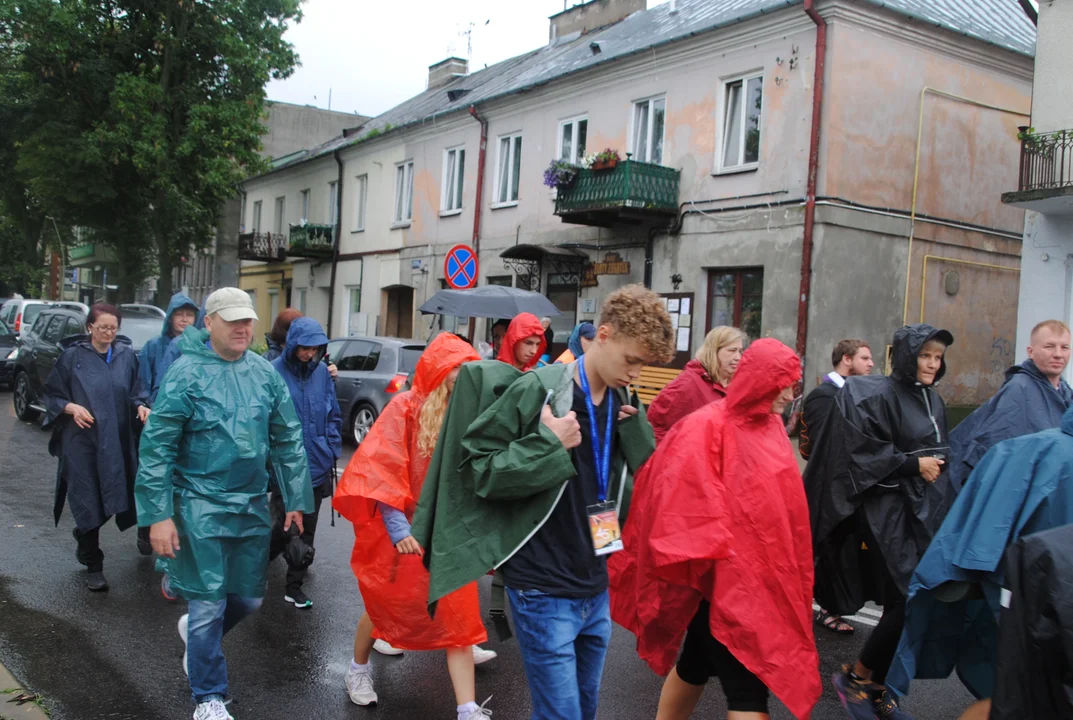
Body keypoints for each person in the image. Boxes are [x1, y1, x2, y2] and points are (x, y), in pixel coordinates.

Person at [412, 285, 676, 720]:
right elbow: (479, 468)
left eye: (645, 365)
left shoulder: (621, 400)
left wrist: (636, 434)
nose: (637, 374)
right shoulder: (539, 390)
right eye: (632, 360)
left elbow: (626, 489)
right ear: (603, 335)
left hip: (594, 587)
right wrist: (548, 444)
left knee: (581, 712)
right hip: (542, 589)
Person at [610, 339, 820, 720]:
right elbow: (673, 494)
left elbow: (780, 503)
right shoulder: (706, 426)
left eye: (794, 384)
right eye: (783, 383)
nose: (790, 394)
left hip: (756, 579)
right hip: (724, 583)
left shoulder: (770, 426)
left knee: (695, 665)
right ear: (761, 380)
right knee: (748, 688)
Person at [136, 287, 313, 720]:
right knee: (209, 601)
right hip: (197, 502)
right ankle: (209, 697)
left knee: (249, 599)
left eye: (248, 320)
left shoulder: (264, 373)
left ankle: (198, 638)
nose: (242, 327)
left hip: (249, 505)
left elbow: (287, 435)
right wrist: (159, 515)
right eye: (232, 319)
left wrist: (295, 497)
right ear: (209, 322)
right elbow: (157, 448)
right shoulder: (186, 373)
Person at [334, 333, 495, 719]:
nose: (463, 374)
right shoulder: (404, 408)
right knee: (382, 608)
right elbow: (383, 471)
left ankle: (468, 708)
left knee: (459, 618)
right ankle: (357, 671)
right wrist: (398, 529)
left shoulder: (466, 413)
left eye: (468, 367)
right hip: (404, 534)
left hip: (448, 536)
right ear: (438, 369)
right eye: (456, 366)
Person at [809, 324, 955, 720]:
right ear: (909, 356)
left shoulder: (933, 400)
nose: (931, 363)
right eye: (925, 355)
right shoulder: (877, 395)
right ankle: (857, 678)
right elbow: (860, 456)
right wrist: (913, 464)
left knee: (909, 599)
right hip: (886, 515)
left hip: (921, 513)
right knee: (907, 598)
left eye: (937, 356)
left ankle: (875, 684)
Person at [885, 404, 1073, 702]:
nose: (1059, 354)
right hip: (1032, 586)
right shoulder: (1031, 436)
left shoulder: (1033, 445)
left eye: (1064, 351)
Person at [44, 303, 150, 591]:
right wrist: (71, 407)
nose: (107, 332)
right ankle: (94, 564)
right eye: (102, 327)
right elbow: (52, 395)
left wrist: (141, 406)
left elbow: (137, 391)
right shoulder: (72, 357)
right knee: (87, 496)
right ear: (89, 326)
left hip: (116, 441)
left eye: (113, 328)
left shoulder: (127, 357)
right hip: (82, 442)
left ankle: (83, 534)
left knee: (115, 495)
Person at [800, 338, 874, 635]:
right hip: (828, 489)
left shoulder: (856, 393)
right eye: (865, 358)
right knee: (828, 549)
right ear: (846, 359)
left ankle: (834, 605)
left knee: (845, 550)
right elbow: (819, 448)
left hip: (851, 487)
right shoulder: (824, 396)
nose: (871, 364)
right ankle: (826, 608)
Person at [947, 319, 1072, 491]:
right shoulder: (1018, 389)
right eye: (1049, 346)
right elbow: (999, 448)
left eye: (1064, 347)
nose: (1058, 354)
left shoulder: (1066, 392)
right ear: (1031, 351)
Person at [270, 316, 342, 609]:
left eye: (315, 348)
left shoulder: (322, 373)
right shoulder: (273, 372)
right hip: (283, 466)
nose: (309, 353)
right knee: (286, 527)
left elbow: (333, 413)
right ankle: (254, 566)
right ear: (292, 344)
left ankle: (294, 585)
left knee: (307, 530)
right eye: (304, 347)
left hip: (315, 463)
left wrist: (331, 447)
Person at [647, 325, 745, 444]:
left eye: (740, 351)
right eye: (732, 350)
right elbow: (656, 425)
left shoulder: (734, 384)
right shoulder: (688, 383)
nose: (738, 357)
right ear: (714, 351)